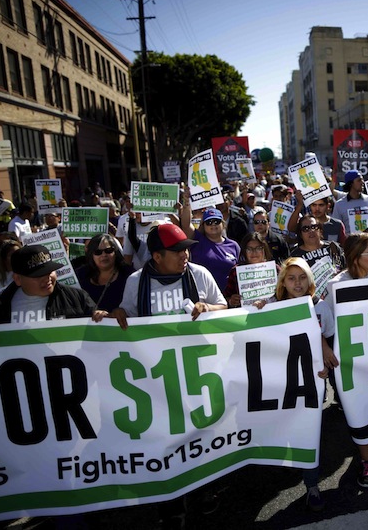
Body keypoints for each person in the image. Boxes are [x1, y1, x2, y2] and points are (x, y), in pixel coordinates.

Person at [97, 223, 227, 528]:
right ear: (156, 256)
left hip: (196, 371)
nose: (185, 254)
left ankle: (204, 487)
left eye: (186, 249)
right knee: (165, 440)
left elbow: (224, 308)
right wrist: (114, 315)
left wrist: (209, 307)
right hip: (156, 375)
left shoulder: (200, 275)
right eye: (177, 251)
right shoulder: (135, 282)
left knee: (201, 433)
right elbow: (127, 315)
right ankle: (172, 503)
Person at [254, 257, 338, 511]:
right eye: (291, 278)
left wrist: (325, 356)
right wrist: (256, 308)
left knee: (309, 430)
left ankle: (311, 484)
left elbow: (330, 340)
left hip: (312, 381)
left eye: (302, 277)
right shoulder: (271, 306)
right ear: (282, 282)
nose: (297, 283)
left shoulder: (320, 307)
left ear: (310, 281)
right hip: (279, 382)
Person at [326, 232, 368, 488]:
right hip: (352, 364)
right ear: (356, 259)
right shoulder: (336, 285)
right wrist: (325, 350)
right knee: (360, 411)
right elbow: (321, 322)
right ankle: (366, 462)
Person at [0, 244, 99, 324]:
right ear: (18, 279)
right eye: (38, 275)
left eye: (50, 271)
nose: (47, 278)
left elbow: (99, 329)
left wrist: (104, 317)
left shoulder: (78, 299)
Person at [74, 233, 134, 312]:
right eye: (98, 252)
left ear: (115, 252)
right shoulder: (80, 275)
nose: (104, 255)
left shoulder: (129, 275)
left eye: (108, 251)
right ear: (91, 255)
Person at [188, 208, 241, 294]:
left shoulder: (234, 245)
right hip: (201, 295)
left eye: (216, 221)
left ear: (223, 224)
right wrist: (187, 204)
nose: (213, 225)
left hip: (228, 298)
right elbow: (186, 225)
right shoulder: (197, 240)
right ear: (203, 226)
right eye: (209, 222)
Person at [224, 232, 279, 308]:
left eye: (258, 248)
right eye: (249, 249)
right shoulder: (235, 272)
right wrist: (231, 300)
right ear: (244, 251)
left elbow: (285, 294)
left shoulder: (275, 269)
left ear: (264, 249)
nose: (254, 252)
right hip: (245, 316)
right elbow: (224, 299)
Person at [332, 170, 368, 235]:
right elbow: (335, 228)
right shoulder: (339, 205)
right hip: (350, 244)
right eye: (359, 180)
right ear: (351, 183)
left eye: (362, 180)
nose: (363, 182)